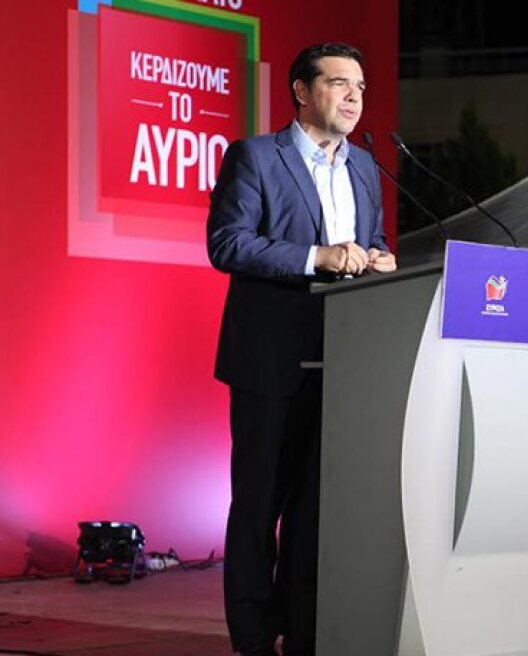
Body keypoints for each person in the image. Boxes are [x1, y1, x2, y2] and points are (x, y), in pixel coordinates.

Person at [207, 43, 397, 656]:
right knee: (260, 504)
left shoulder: (366, 168)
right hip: (271, 359)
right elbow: (228, 244)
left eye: (361, 86)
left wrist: (381, 260)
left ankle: (309, 630)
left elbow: (372, 239)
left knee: (319, 511)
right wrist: (318, 257)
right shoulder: (257, 157)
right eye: (340, 83)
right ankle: (255, 637)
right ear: (300, 90)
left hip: (345, 362)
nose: (354, 97)